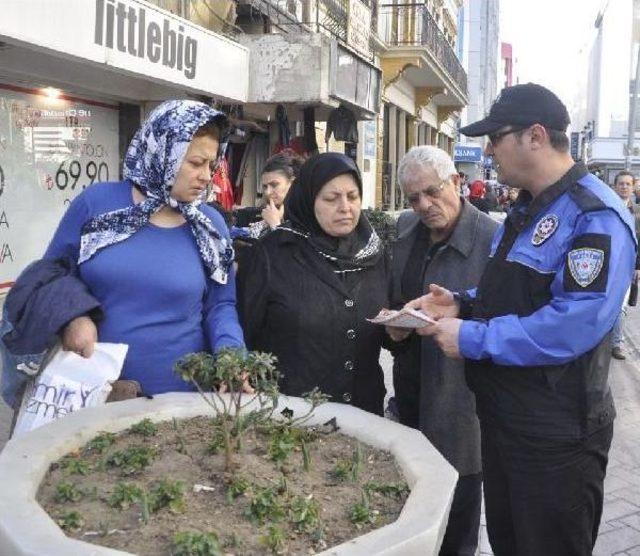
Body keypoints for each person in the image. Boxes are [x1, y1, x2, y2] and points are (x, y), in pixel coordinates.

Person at [407, 83, 637, 555]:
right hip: (507, 419)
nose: (490, 150)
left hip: (556, 434)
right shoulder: (528, 208)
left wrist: (473, 337)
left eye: (497, 136)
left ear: (535, 136)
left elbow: (573, 323)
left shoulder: (595, 216)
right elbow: (515, 290)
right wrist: (461, 303)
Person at [45, 100, 245, 395]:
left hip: (181, 398)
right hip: (90, 390)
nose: (206, 176)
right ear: (162, 152)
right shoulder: (96, 204)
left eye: (211, 165)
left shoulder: (210, 225)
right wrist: (72, 317)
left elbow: (221, 305)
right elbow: (50, 276)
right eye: (195, 163)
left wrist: (231, 356)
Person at [388, 145, 497, 556]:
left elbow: (504, 316)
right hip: (411, 394)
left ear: (456, 181)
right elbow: (397, 298)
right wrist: (394, 331)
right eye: (414, 198)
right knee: (412, 516)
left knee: (457, 526)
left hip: (461, 407)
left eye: (433, 192)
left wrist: (464, 325)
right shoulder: (404, 232)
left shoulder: (492, 239)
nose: (425, 205)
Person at [238, 153, 389, 414]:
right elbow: (241, 330)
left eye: (353, 197)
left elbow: (389, 327)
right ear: (309, 200)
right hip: (291, 417)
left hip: (363, 415)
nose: (345, 207)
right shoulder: (273, 255)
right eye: (331, 199)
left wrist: (399, 332)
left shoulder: (374, 254)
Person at [234, 152, 303, 239]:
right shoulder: (265, 216)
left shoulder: (305, 218)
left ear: (293, 183)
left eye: (274, 185)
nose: (267, 192)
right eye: (265, 186)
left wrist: (276, 225)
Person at [610, 170, 640, 360]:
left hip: (628, 265)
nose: (624, 187)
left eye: (628, 184)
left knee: (621, 306)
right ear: (615, 186)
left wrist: (638, 266)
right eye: (621, 183)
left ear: (633, 186)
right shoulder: (607, 206)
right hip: (608, 263)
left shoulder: (638, 212)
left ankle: (616, 344)